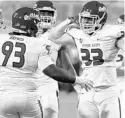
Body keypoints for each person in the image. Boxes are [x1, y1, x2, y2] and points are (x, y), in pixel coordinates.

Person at [0, 7, 93, 118]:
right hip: (28, 96)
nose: (39, 25)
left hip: (3, 97)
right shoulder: (37, 44)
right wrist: (76, 80)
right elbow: (52, 71)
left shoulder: (2, 39)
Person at [49, 1, 125, 118]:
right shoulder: (79, 35)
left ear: (101, 19)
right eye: (84, 19)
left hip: (108, 92)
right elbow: (53, 36)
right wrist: (68, 21)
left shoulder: (111, 34)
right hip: (87, 91)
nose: (85, 22)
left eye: (90, 19)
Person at [33, 1, 59, 118]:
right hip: (27, 82)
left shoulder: (56, 35)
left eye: (49, 13)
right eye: (42, 13)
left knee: (50, 110)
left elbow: (54, 58)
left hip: (47, 82)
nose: (45, 16)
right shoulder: (25, 32)